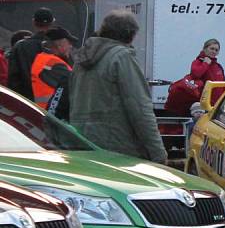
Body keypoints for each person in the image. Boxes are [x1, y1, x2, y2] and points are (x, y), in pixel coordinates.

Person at [70, 10, 167, 164]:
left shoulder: (81, 60)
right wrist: (158, 153)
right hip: (116, 147)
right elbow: (140, 109)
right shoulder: (121, 57)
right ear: (131, 35)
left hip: (83, 143)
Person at [31, 27, 78, 121]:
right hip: (54, 116)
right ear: (60, 45)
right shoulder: (53, 64)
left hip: (45, 112)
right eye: (69, 43)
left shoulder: (43, 59)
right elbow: (75, 84)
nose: (71, 46)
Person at [7, 8, 55, 100]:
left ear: (33, 22)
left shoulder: (20, 46)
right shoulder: (59, 45)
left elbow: (13, 78)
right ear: (52, 23)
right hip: (55, 102)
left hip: (28, 102)